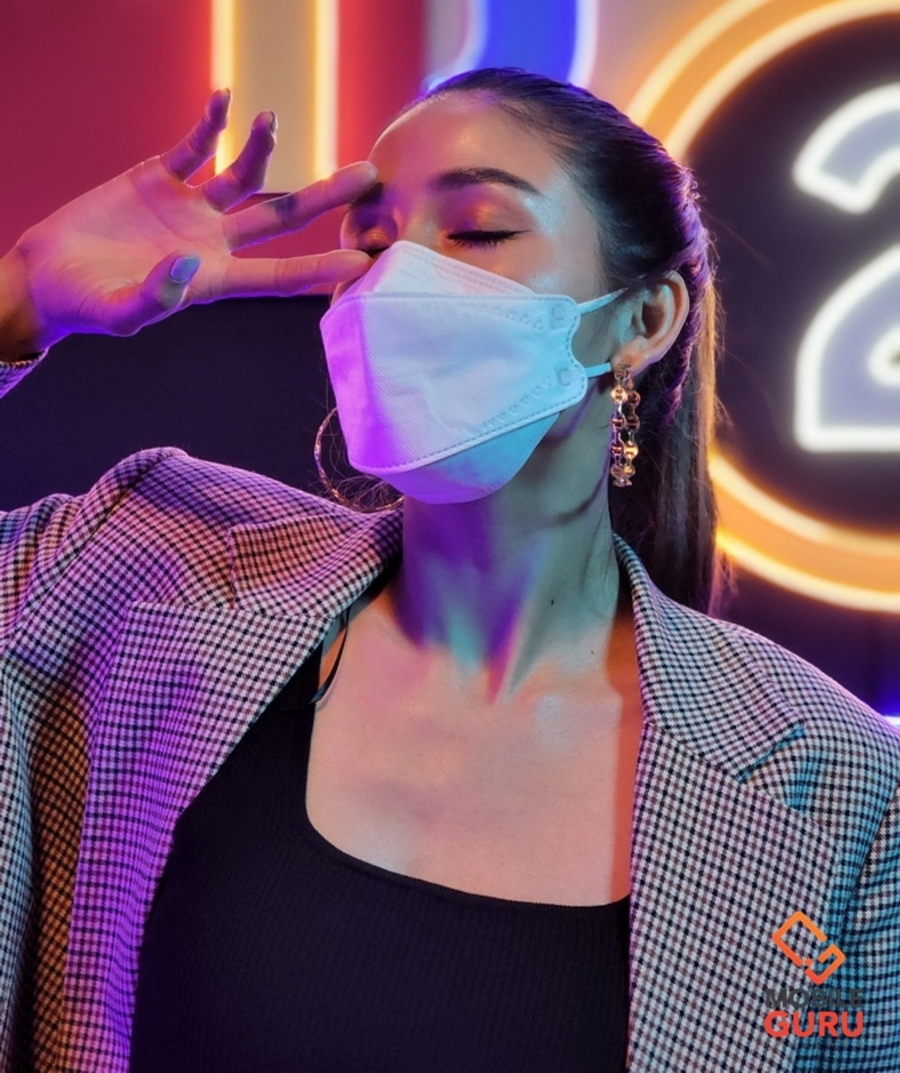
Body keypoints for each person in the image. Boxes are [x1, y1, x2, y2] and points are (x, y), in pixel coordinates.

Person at [0, 71, 897, 1073]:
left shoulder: (840, 787)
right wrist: (17, 304)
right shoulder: (143, 562)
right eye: (372, 244)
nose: (398, 282)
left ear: (643, 319)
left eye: (477, 232)